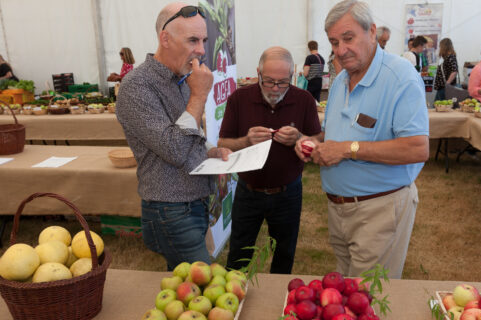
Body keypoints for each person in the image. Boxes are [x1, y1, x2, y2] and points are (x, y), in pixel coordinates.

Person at [295, 0, 429, 279]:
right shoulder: (343, 79)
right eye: (333, 41)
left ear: (372, 32)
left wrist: (345, 150)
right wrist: (315, 142)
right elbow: (336, 135)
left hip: (379, 209)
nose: (340, 50)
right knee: (347, 294)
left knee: (367, 300)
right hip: (339, 208)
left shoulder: (400, 77)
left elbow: (417, 148)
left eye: (348, 38)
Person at [116, 2, 232, 270]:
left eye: (204, 40)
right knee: (204, 286)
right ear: (164, 39)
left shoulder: (183, 78)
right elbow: (173, 148)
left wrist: (209, 150)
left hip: (192, 203)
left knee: (185, 289)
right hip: (170, 210)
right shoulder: (136, 86)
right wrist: (199, 95)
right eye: (193, 40)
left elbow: (188, 135)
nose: (202, 50)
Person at [219, 46, 322, 274]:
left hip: (288, 193)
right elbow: (223, 144)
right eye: (269, 81)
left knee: (284, 254)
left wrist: (300, 138)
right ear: (258, 73)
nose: (275, 89)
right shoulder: (239, 99)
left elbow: (318, 142)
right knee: (238, 255)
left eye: (283, 82)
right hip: (248, 191)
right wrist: (246, 140)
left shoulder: (304, 100)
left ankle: (278, 301)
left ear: (293, 76)